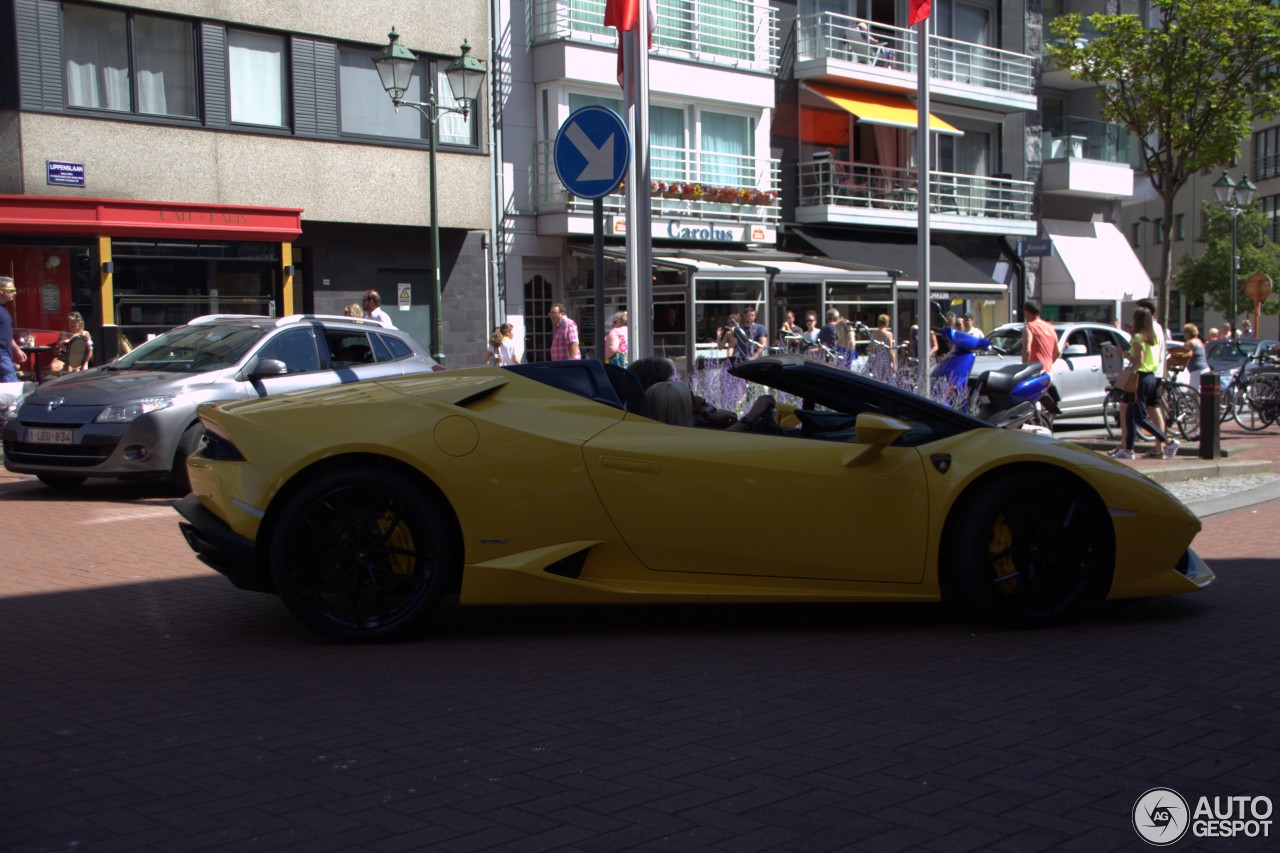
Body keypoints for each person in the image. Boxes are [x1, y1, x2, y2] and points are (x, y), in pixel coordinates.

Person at [1110, 306, 1178, 461]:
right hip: (1152, 376)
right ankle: (1128, 449)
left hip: (1140, 377)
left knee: (1140, 417)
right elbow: (1159, 358)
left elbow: (1138, 362)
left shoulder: (1138, 339)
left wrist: (1124, 354)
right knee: (1129, 414)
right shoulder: (1153, 338)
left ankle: (1168, 441)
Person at [1021, 299, 1061, 378]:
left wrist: (1023, 370)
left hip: (1034, 373)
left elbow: (1027, 350)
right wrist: (1048, 364)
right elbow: (1057, 352)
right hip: (1047, 373)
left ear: (1026, 312)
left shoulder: (1029, 327)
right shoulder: (1050, 327)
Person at [1, 277, 25, 383]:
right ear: (1, 290)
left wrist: (17, 350)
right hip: (2, 356)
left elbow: (7, 334)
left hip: (6, 354)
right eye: (11, 290)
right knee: (12, 388)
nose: (15, 293)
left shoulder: (3, 309)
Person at [1173, 323, 1208, 387]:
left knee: (1194, 392)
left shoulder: (1190, 342)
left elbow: (1181, 354)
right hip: (1205, 369)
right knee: (1201, 392)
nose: (1184, 334)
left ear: (1189, 333)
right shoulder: (1198, 340)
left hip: (1197, 370)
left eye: (1185, 332)